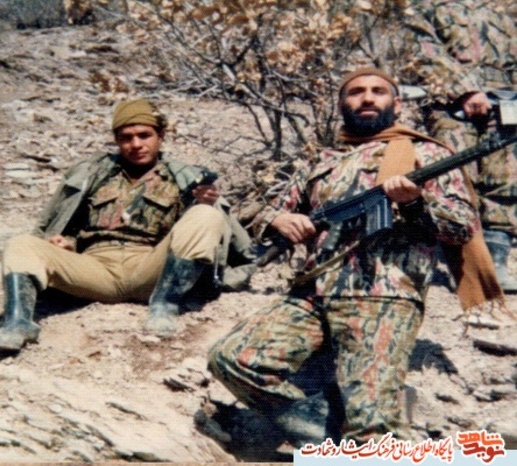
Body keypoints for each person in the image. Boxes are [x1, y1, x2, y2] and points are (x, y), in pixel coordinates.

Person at [208, 68, 504, 447]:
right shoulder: (322, 160)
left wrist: (414, 204)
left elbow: (461, 227)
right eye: (356, 91)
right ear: (341, 104)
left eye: (378, 91)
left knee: (371, 425)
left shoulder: (428, 154)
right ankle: (327, 429)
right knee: (230, 360)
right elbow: (255, 211)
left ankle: (360, 435)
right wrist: (278, 219)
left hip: (384, 296)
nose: (367, 97)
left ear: (397, 104)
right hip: (312, 293)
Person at [0, 98, 255, 354]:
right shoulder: (92, 173)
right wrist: (67, 243)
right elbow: (63, 224)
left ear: (161, 136)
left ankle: (165, 306)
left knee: (206, 215)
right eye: (126, 137)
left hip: (151, 270)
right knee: (21, 243)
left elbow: (204, 236)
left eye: (144, 135)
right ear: (116, 140)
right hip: (96, 269)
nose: (136, 144)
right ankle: (17, 323)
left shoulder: (186, 179)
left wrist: (203, 203)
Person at [402, 0, 517, 292]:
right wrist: (465, 89)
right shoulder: (425, 6)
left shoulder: (499, 10)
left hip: (504, 103)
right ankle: (464, 265)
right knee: (456, 178)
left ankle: (496, 262)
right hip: (451, 104)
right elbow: (422, 50)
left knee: (505, 179)